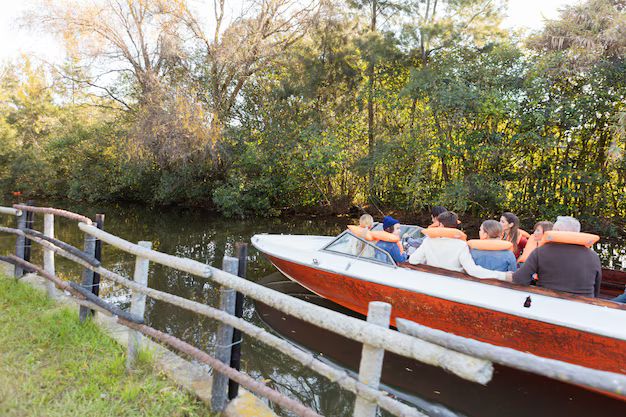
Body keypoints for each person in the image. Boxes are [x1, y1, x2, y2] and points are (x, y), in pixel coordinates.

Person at [509, 216, 602, 297]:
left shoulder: (541, 251)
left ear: (556, 231)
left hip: (548, 303)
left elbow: (519, 279)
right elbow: (596, 289)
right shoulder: (593, 256)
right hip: (584, 307)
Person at [409, 211, 508, 280]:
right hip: (453, 283)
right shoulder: (461, 245)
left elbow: (413, 260)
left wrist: (425, 260)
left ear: (441, 225)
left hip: (432, 279)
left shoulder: (428, 241)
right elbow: (472, 270)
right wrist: (502, 275)